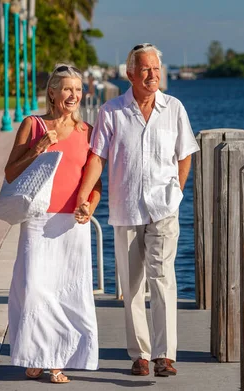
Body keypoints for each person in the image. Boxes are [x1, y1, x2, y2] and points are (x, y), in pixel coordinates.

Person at [76, 43, 199, 377]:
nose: (153, 74)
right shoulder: (111, 111)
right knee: (131, 286)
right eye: (145, 69)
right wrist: (84, 196)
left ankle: (164, 354)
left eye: (156, 68)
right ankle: (140, 355)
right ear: (130, 73)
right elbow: (97, 158)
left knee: (163, 280)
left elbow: (185, 153)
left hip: (163, 207)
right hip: (126, 207)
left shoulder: (173, 108)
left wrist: (176, 191)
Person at [4, 64, 102, 384]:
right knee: (33, 290)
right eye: (67, 89)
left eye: (77, 89)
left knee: (66, 292)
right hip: (36, 218)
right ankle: (36, 354)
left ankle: (54, 360)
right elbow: (10, 173)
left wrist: (89, 206)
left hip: (71, 224)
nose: (73, 95)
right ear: (52, 92)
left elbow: (96, 184)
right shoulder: (32, 125)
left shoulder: (87, 132)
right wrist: (38, 149)